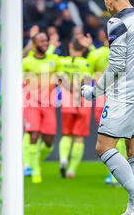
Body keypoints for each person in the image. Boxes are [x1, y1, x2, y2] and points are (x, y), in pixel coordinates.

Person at [81, 0, 134, 215]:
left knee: (103, 147)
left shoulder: (116, 22)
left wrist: (95, 92)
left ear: (108, 0)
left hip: (127, 92)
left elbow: (116, 65)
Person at [88, 28, 134, 187]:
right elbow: (89, 73)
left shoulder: (126, 51)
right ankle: (115, 177)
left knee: (122, 140)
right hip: (110, 98)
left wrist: (93, 92)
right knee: (114, 139)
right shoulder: (100, 53)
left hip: (124, 97)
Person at [22, 32, 59, 183]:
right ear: (33, 43)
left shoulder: (54, 60)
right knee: (34, 135)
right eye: (41, 41)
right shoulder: (27, 62)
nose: (45, 43)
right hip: (31, 104)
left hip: (48, 105)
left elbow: (62, 76)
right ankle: (35, 170)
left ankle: (34, 160)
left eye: (46, 41)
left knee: (49, 142)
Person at [56, 36, 93, 178]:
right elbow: (86, 80)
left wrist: (69, 89)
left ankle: (63, 158)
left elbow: (59, 79)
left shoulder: (61, 62)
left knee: (66, 134)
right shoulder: (86, 63)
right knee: (79, 137)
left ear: (71, 46)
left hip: (67, 102)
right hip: (83, 102)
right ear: (83, 49)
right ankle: (71, 170)